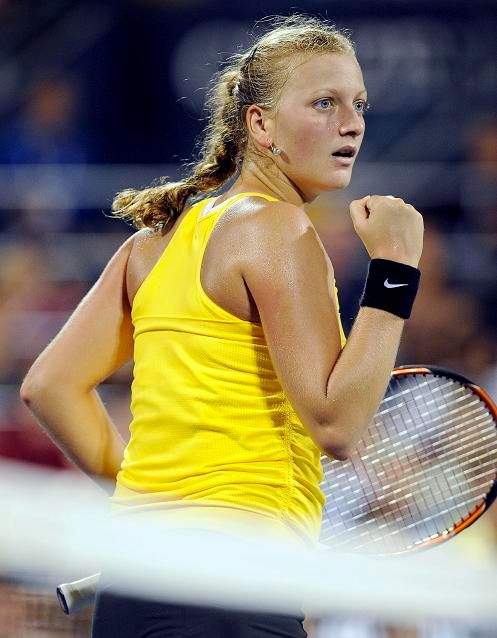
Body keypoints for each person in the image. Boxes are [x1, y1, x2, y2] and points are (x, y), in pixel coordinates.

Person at [20, 14, 424, 638]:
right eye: (324, 102)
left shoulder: (152, 244)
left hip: (138, 585)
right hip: (235, 586)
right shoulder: (278, 229)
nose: (352, 123)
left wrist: (158, 508)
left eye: (359, 104)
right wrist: (395, 270)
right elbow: (338, 424)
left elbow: (49, 386)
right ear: (260, 124)